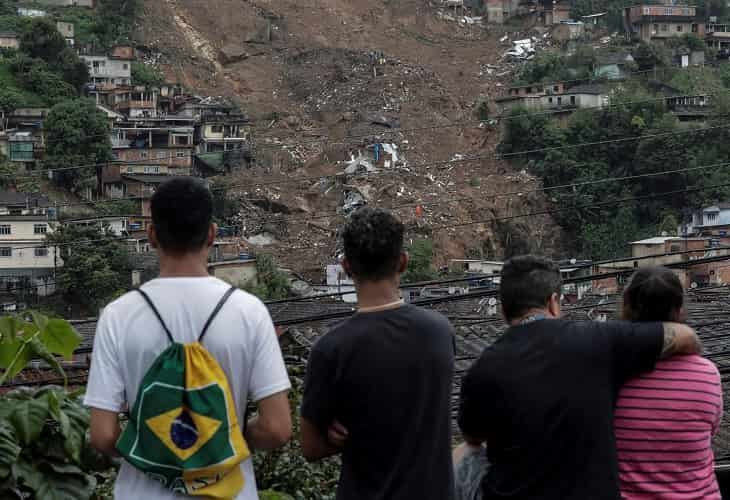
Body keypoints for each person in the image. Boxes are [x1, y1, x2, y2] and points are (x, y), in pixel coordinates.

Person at [84, 177, 292, 499]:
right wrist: (217, 438)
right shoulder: (249, 312)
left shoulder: (117, 316)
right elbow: (277, 428)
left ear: (152, 235)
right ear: (212, 234)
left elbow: (102, 435)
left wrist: (158, 444)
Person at [456, 255, 702, 500]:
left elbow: (473, 437)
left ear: (502, 308)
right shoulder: (598, 339)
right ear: (554, 302)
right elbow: (683, 335)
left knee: (461, 454)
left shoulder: (483, 369)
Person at [300, 207, 455, 500]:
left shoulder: (331, 348)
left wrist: (336, 439)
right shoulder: (439, 331)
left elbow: (310, 447)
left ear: (346, 267)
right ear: (403, 262)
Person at [616, 267, 722, 499]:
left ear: (626, 305)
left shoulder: (609, 372)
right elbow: (709, 432)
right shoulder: (708, 374)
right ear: (680, 309)